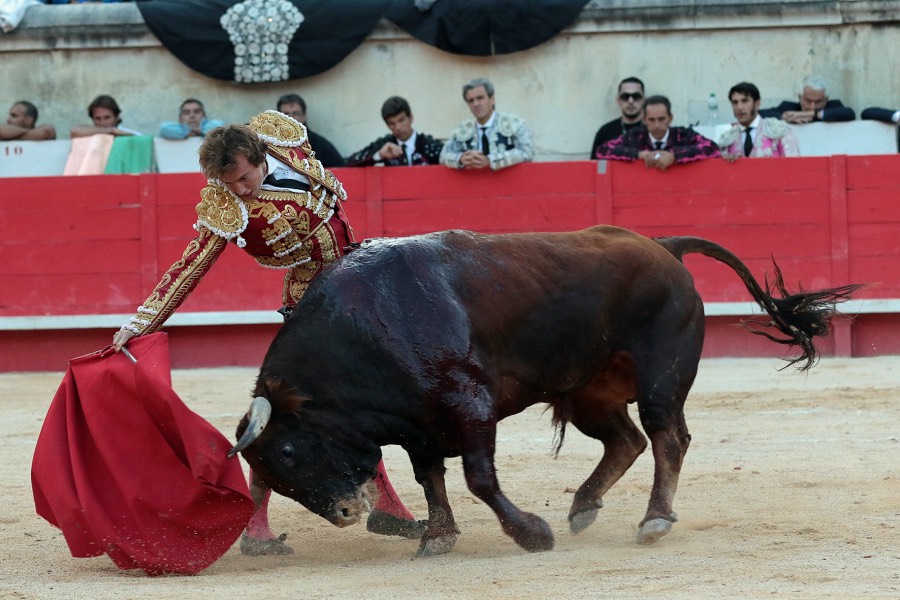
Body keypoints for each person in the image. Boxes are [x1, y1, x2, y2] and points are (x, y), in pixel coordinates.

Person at [111, 110, 425, 555]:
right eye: (228, 182)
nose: (239, 189)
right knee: (318, 408)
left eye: (242, 177)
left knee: (344, 404)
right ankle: (274, 523)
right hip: (313, 307)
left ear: (260, 156)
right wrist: (140, 323)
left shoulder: (284, 137)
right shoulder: (227, 206)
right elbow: (189, 267)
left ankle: (379, 508)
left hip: (356, 283)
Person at [595, 95, 720, 170]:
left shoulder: (682, 135)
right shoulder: (635, 136)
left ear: (670, 118)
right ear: (644, 120)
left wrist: (675, 156)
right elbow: (602, 150)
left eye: (661, 119)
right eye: (651, 120)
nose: (656, 125)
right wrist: (639, 154)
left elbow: (713, 148)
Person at [439, 77, 534, 170]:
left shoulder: (513, 123)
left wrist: (491, 160)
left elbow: (527, 153)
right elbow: (443, 156)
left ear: (492, 99)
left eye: (480, 98)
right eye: (471, 101)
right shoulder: (462, 129)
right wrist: (460, 159)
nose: (475, 104)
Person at [345, 96, 443, 167]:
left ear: (411, 118)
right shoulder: (386, 144)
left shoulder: (427, 143)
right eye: (392, 123)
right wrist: (379, 155)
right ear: (387, 125)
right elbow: (350, 162)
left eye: (401, 120)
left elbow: (449, 156)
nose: (398, 127)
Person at [717, 82, 800, 161]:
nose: (739, 107)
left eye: (744, 101)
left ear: (757, 104)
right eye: (735, 102)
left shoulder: (779, 129)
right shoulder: (726, 139)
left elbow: (793, 165)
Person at [275, 93, 345, 168]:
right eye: (286, 114)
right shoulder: (272, 145)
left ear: (304, 116)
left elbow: (342, 173)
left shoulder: (321, 146)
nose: (291, 118)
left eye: (296, 113)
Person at [759, 75, 855, 124]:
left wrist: (810, 114)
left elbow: (849, 113)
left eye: (818, 102)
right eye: (808, 101)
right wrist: (784, 117)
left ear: (826, 99)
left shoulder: (834, 106)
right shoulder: (789, 107)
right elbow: (758, 114)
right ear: (800, 98)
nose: (812, 106)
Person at [590, 76, 646, 158]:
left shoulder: (653, 130)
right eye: (625, 97)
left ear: (643, 100)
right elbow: (595, 166)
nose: (631, 101)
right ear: (618, 100)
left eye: (636, 96)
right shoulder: (605, 132)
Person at [70, 94, 142, 138]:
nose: (103, 123)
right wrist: (111, 131)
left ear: (116, 117)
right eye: (98, 118)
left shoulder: (131, 135)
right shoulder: (89, 135)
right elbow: (74, 131)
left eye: (107, 117)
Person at [158, 98, 224, 140]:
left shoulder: (212, 125)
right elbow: (164, 128)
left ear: (204, 116)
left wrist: (200, 132)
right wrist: (188, 132)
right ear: (180, 119)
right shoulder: (174, 128)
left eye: (197, 112)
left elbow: (220, 127)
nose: (192, 115)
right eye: (186, 112)